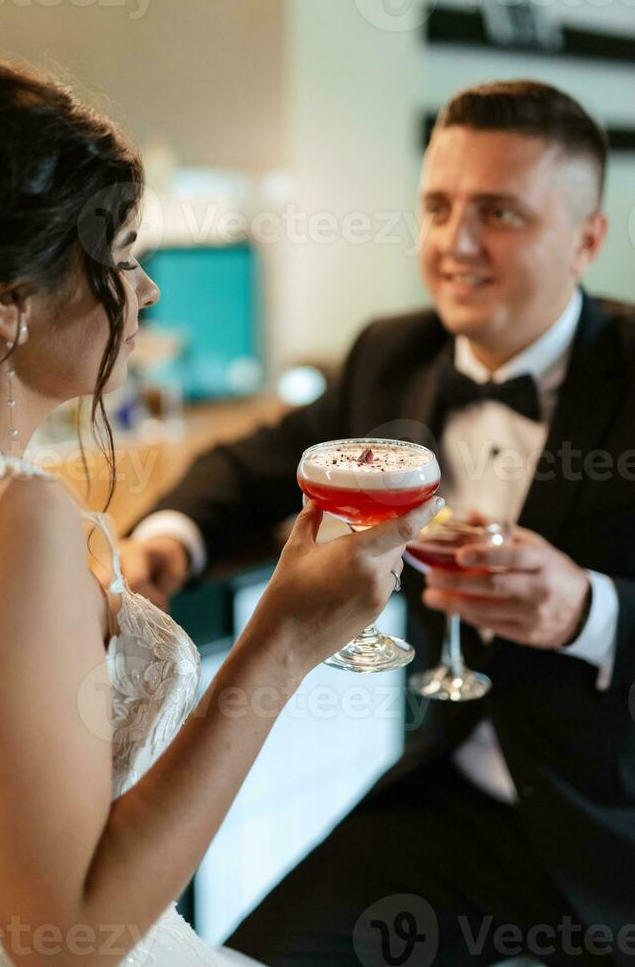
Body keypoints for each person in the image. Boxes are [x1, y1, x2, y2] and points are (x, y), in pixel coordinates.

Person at [120, 81, 635, 967]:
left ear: (589, 238)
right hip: (447, 809)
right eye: (438, 206)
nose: (454, 244)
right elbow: (251, 462)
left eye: (499, 213)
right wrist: (168, 538)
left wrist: (590, 614)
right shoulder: (390, 354)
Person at [0, 55, 443, 967]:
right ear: (7, 300)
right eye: (121, 261)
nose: (146, 291)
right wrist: (283, 640)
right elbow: (63, 939)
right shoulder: (22, 521)